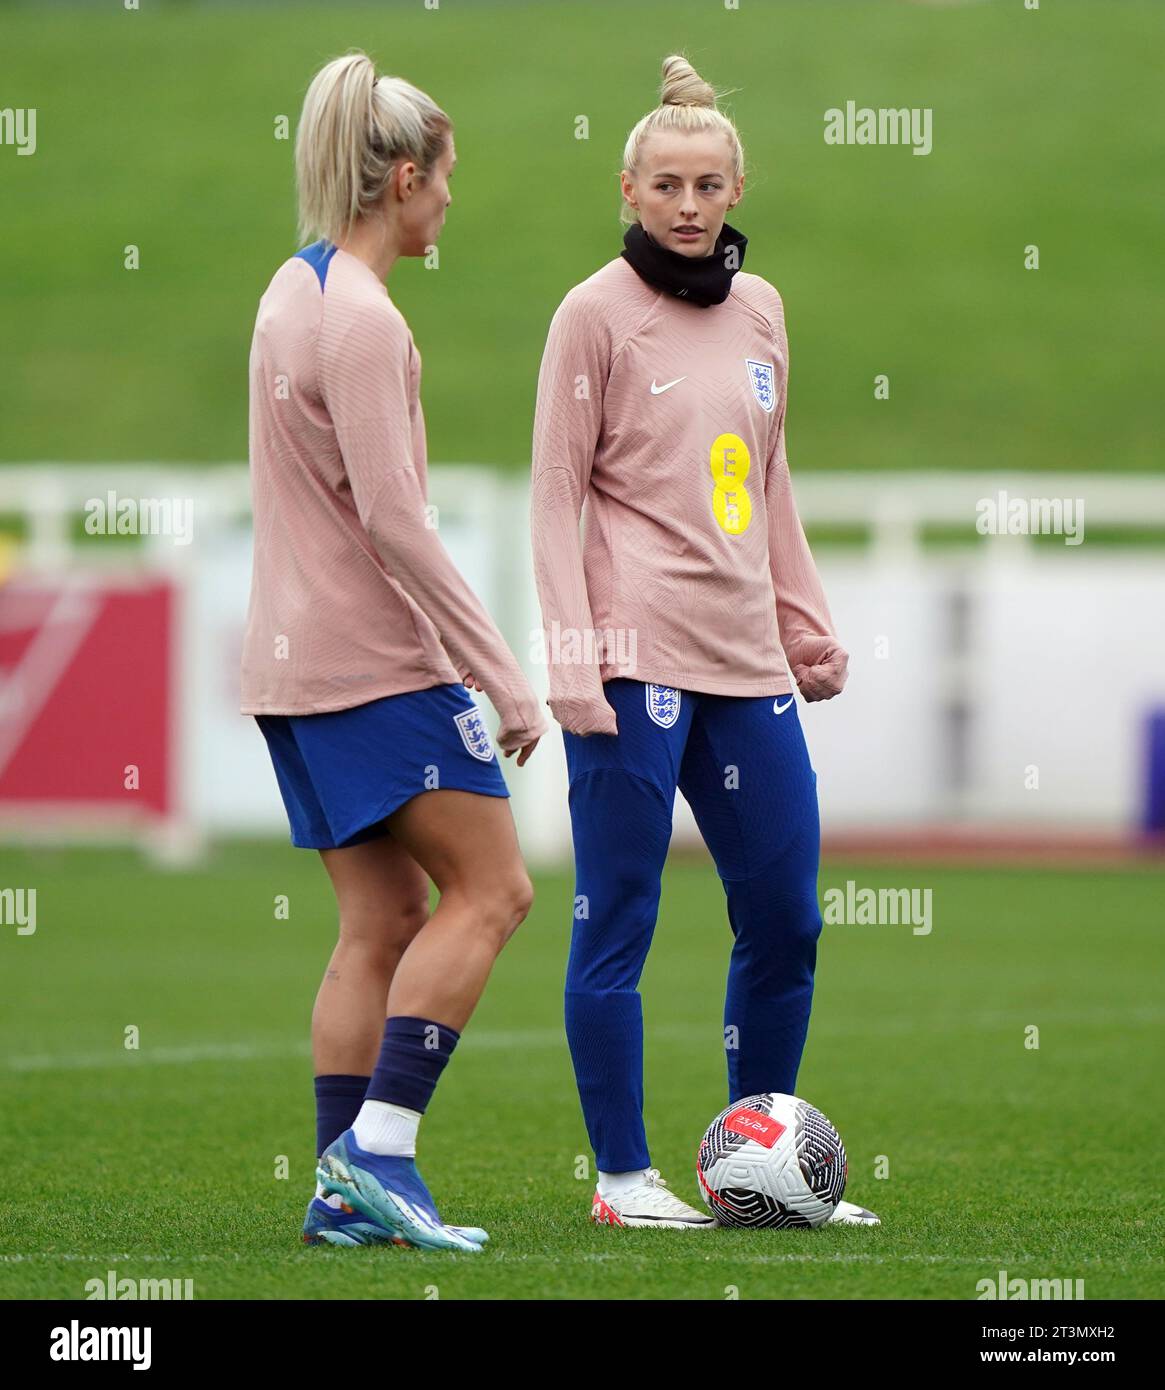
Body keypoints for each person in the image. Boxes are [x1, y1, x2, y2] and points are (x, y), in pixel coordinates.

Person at [530, 55, 877, 1229]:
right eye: (665, 182)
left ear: (736, 187)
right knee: (618, 914)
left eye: (707, 183)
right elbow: (551, 496)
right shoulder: (590, 315)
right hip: (634, 660)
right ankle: (622, 1179)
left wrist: (805, 618)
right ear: (626, 186)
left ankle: (759, 1168)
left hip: (745, 664)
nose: (687, 203)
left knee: (787, 915)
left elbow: (771, 483)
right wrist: (572, 655)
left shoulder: (764, 307)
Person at [242, 51, 545, 1251]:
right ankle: (380, 1152)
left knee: (381, 918)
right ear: (405, 176)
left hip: (288, 667)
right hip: (374, 665)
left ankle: (337, 1192)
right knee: (495, 890)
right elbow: (392, 518)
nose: (453, 202)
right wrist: (500, 668)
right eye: (447, 178)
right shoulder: (367, 323)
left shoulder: (289, 286)